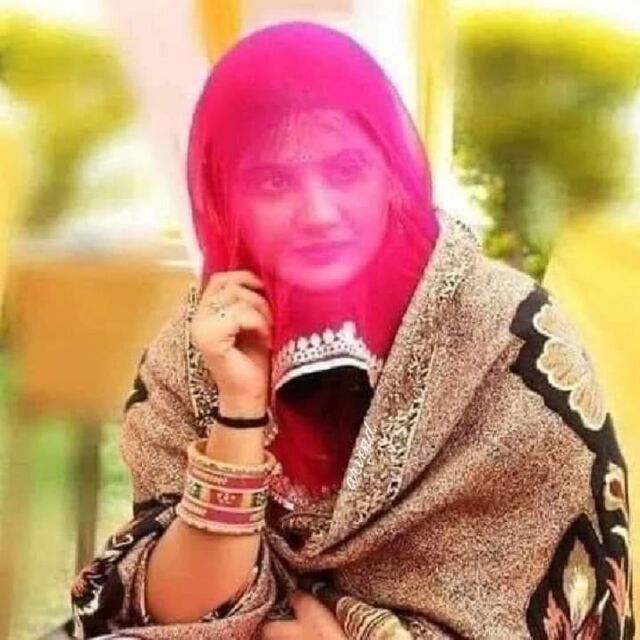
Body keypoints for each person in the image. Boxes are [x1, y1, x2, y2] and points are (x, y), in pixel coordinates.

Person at [69, 22, 633, 640]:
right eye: (273, 181)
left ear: (392, 173)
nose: (318, 213)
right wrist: (239, 410)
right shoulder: (200, 345)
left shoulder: (506, 337)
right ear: (224, 198)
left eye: (345, 169)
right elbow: (177, 612)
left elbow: (568, 609)